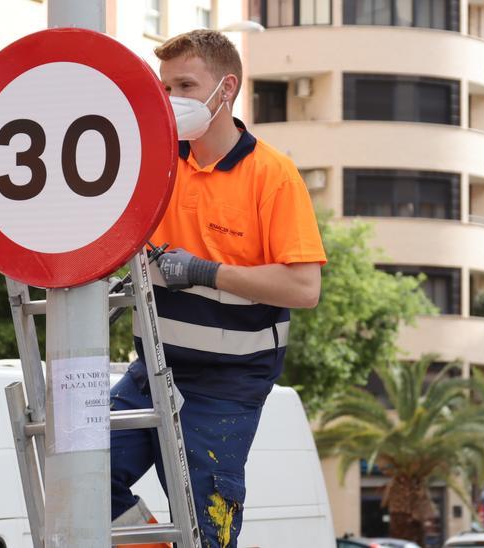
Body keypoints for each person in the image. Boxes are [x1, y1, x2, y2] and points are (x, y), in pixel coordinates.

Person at [108, 29, 327, 548]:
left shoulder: (272, 176)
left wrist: (206, 272)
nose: (170, 100)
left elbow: (303, 286)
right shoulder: (157, 165)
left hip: (226, 388)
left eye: (185, 84)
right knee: (79, 475)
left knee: (207, 527)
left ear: (225, 89)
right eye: (164, 88)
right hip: (154, 370)